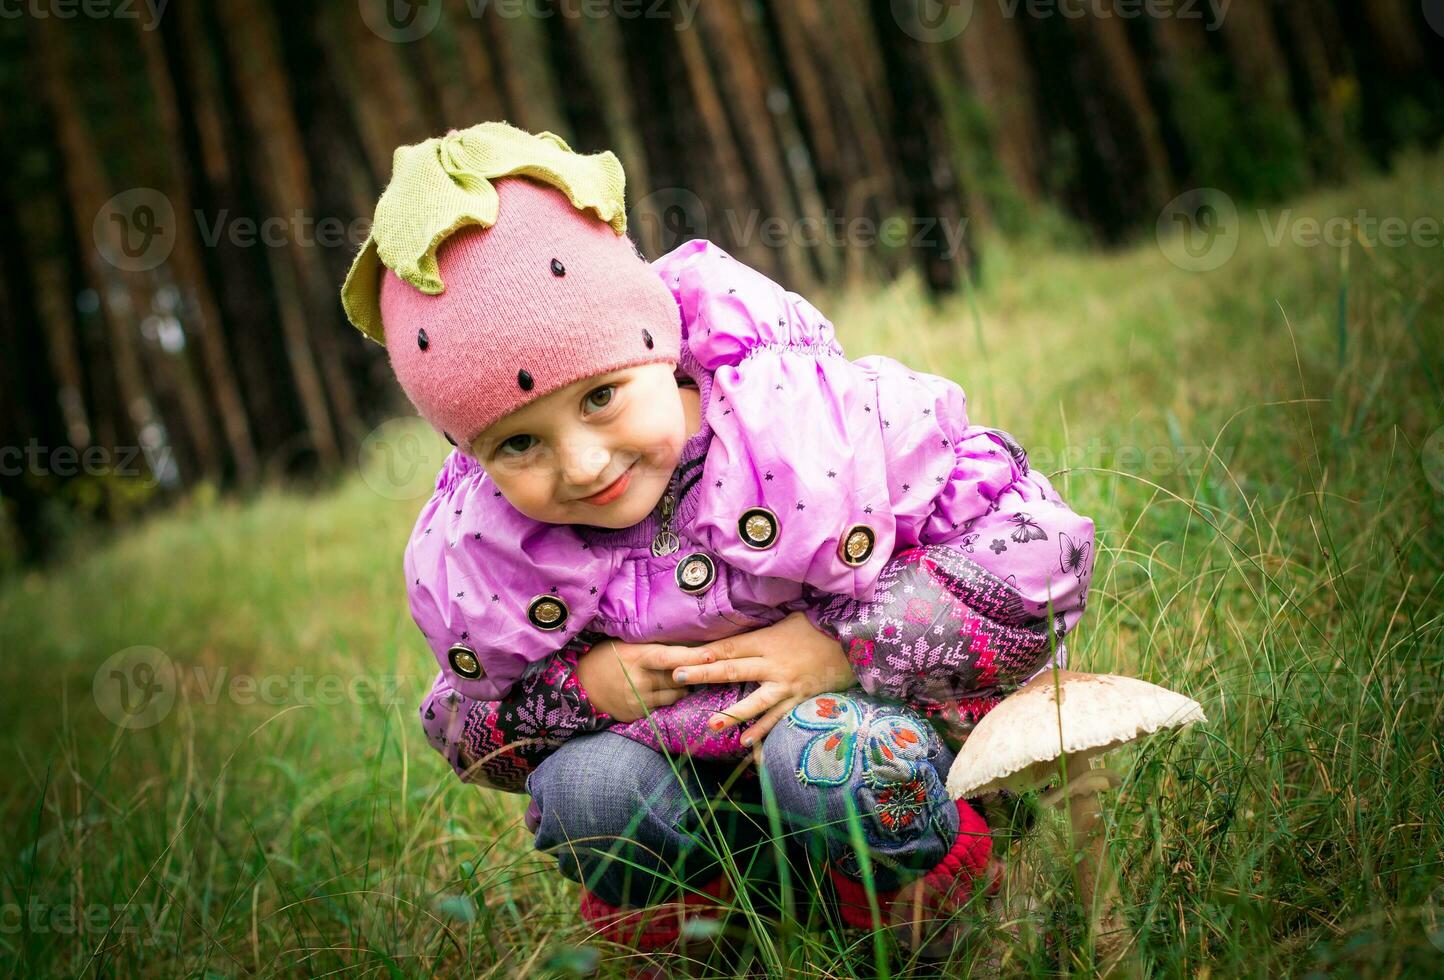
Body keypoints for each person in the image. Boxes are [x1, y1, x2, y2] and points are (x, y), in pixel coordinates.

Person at [340, 121, 1095, 959]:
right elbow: (464, 723)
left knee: (826, 753)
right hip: (703, 809)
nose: (584, 465)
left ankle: (936, 904)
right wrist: (582, 690)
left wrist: (843, 643)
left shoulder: (812, 428)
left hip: (886, 747)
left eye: (601, 397)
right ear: (472, 458)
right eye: (519, 445)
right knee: (585, 790)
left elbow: (1038, 552)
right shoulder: (497, 550)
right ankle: (717, 930)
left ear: (656, 344)